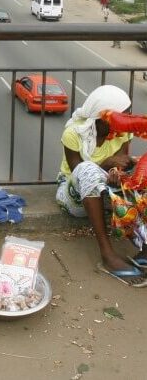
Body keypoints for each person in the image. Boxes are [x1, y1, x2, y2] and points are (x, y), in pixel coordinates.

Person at [55, 85, 147, 287]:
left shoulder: (123, 133)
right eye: (124, 114)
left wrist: (118, 171)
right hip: (73, 195)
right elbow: (78, 172)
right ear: (105, 116)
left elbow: (120, 163)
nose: (129, 117)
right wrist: (106, 165)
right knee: (88, 170)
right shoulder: (74, 133)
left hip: (106, 190)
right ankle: (107, 255)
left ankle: (144, 250)